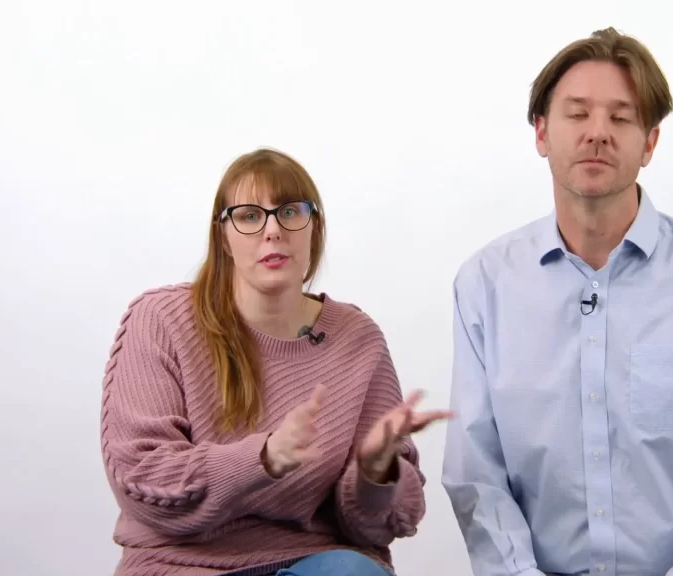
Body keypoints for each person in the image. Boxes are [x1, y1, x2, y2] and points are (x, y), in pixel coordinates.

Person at [441, 27, 673, 576]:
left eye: (621, 118)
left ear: (649, 142)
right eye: (577, 114)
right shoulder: (484, 285)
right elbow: (476, 475)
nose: (598, 133)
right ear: (542, 133)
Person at [99, 148, 451, 576]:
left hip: (314, 564)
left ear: (313, 229)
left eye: (290, 212)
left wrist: (374, 471)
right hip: (181, 565)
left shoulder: (357, 339)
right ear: (223, 235)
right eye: (249, 216)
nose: (273, 231)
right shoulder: (161, 321)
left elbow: (380, 528)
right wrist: (260, 460)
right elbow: (143, 481)